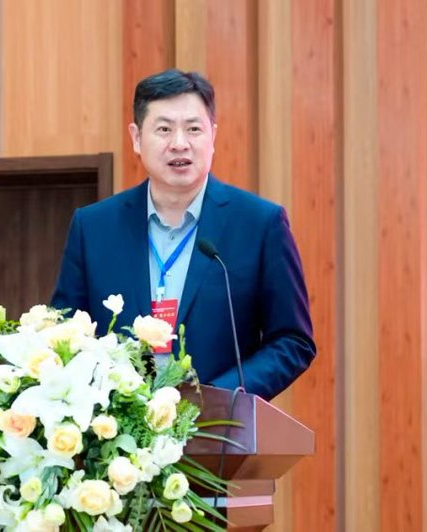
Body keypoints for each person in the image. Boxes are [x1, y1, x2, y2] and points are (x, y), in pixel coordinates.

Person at [51, 69, 315, 400]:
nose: (179, 143)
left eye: (193, 129)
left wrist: (216, 398)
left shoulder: (259, 224)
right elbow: (62, 334)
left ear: (212, 136)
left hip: (217, 427)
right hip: (117, 424)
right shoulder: (94, 227)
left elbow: (293, 340)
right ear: (136, 137)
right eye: (164, 129)